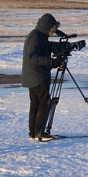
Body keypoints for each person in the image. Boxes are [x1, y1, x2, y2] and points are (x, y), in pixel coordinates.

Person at [22, 13, 63, 142]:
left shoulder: (38, 35)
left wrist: (58, 47)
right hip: (38, 76)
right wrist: (52, 62)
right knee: (43, 104)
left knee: (35, 104)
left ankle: (33, 133)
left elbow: (45, 47)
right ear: (47, 26)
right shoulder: (36, 37)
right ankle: (40, 133)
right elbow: (33, 58)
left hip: (33, 76)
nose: (53, 31)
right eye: (52, 29)